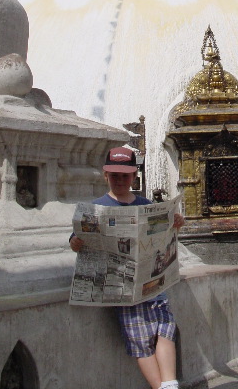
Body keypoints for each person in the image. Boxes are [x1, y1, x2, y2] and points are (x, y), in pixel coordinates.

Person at [70, 147, 185, 389]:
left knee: (166, 329)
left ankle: (170, 384)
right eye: (115, 175)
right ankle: (160, 386)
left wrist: (177, 223)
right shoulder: (96, 208)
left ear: (134, 176)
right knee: (140, 341)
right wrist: (76, 242)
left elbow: (165, 235)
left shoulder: (147, 205)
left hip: (152, 286)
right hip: (122, 291)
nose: (120, 180)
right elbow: (75, 241)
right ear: (105, 175)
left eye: (125, 176)